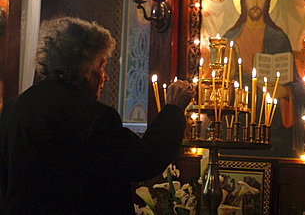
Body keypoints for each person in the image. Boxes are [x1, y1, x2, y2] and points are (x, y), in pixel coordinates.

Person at [0, 17, 196, 214]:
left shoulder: (14, 107)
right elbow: (144, 160)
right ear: (85, 68)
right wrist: (173, 109)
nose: (106, 76)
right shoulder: (95, 117)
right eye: (101, 65)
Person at [223, 0, 305, 158]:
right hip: (235, 119)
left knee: (277, 146)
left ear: (268, 0)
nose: (255, 2)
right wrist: (229, 79)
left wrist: (283, 91)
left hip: (268, 121)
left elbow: (297, 85)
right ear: (243, 1)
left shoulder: (278, 38)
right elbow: (217, 85)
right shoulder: (230, 38)